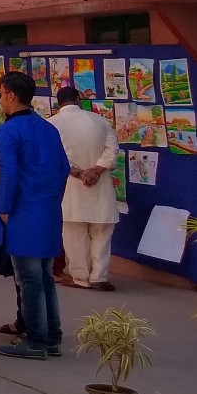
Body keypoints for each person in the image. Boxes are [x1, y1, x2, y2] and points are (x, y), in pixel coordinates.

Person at [0, 71, 71, 360]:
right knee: (45, 277)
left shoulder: (10, 131)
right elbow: (63, 168)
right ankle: (52, 337)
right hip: (48, 208)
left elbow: (9, 173)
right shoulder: (48, 128)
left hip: (23, 210)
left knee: (29, 280)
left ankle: (37, 339)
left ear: (11, 95)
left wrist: (3, 207)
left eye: (0, 94)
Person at [49, 86, 121, 291]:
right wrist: (96, 171)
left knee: (73, 234)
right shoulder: (99, 120)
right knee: (101, 232)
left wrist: (79, 173)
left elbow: (54, 157)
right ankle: (99, 276)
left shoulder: (51, 124)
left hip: (69, 186)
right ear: (78, 99)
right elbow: (112, 150)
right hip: (100, 185)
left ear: (58, 102)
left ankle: (80, 277)